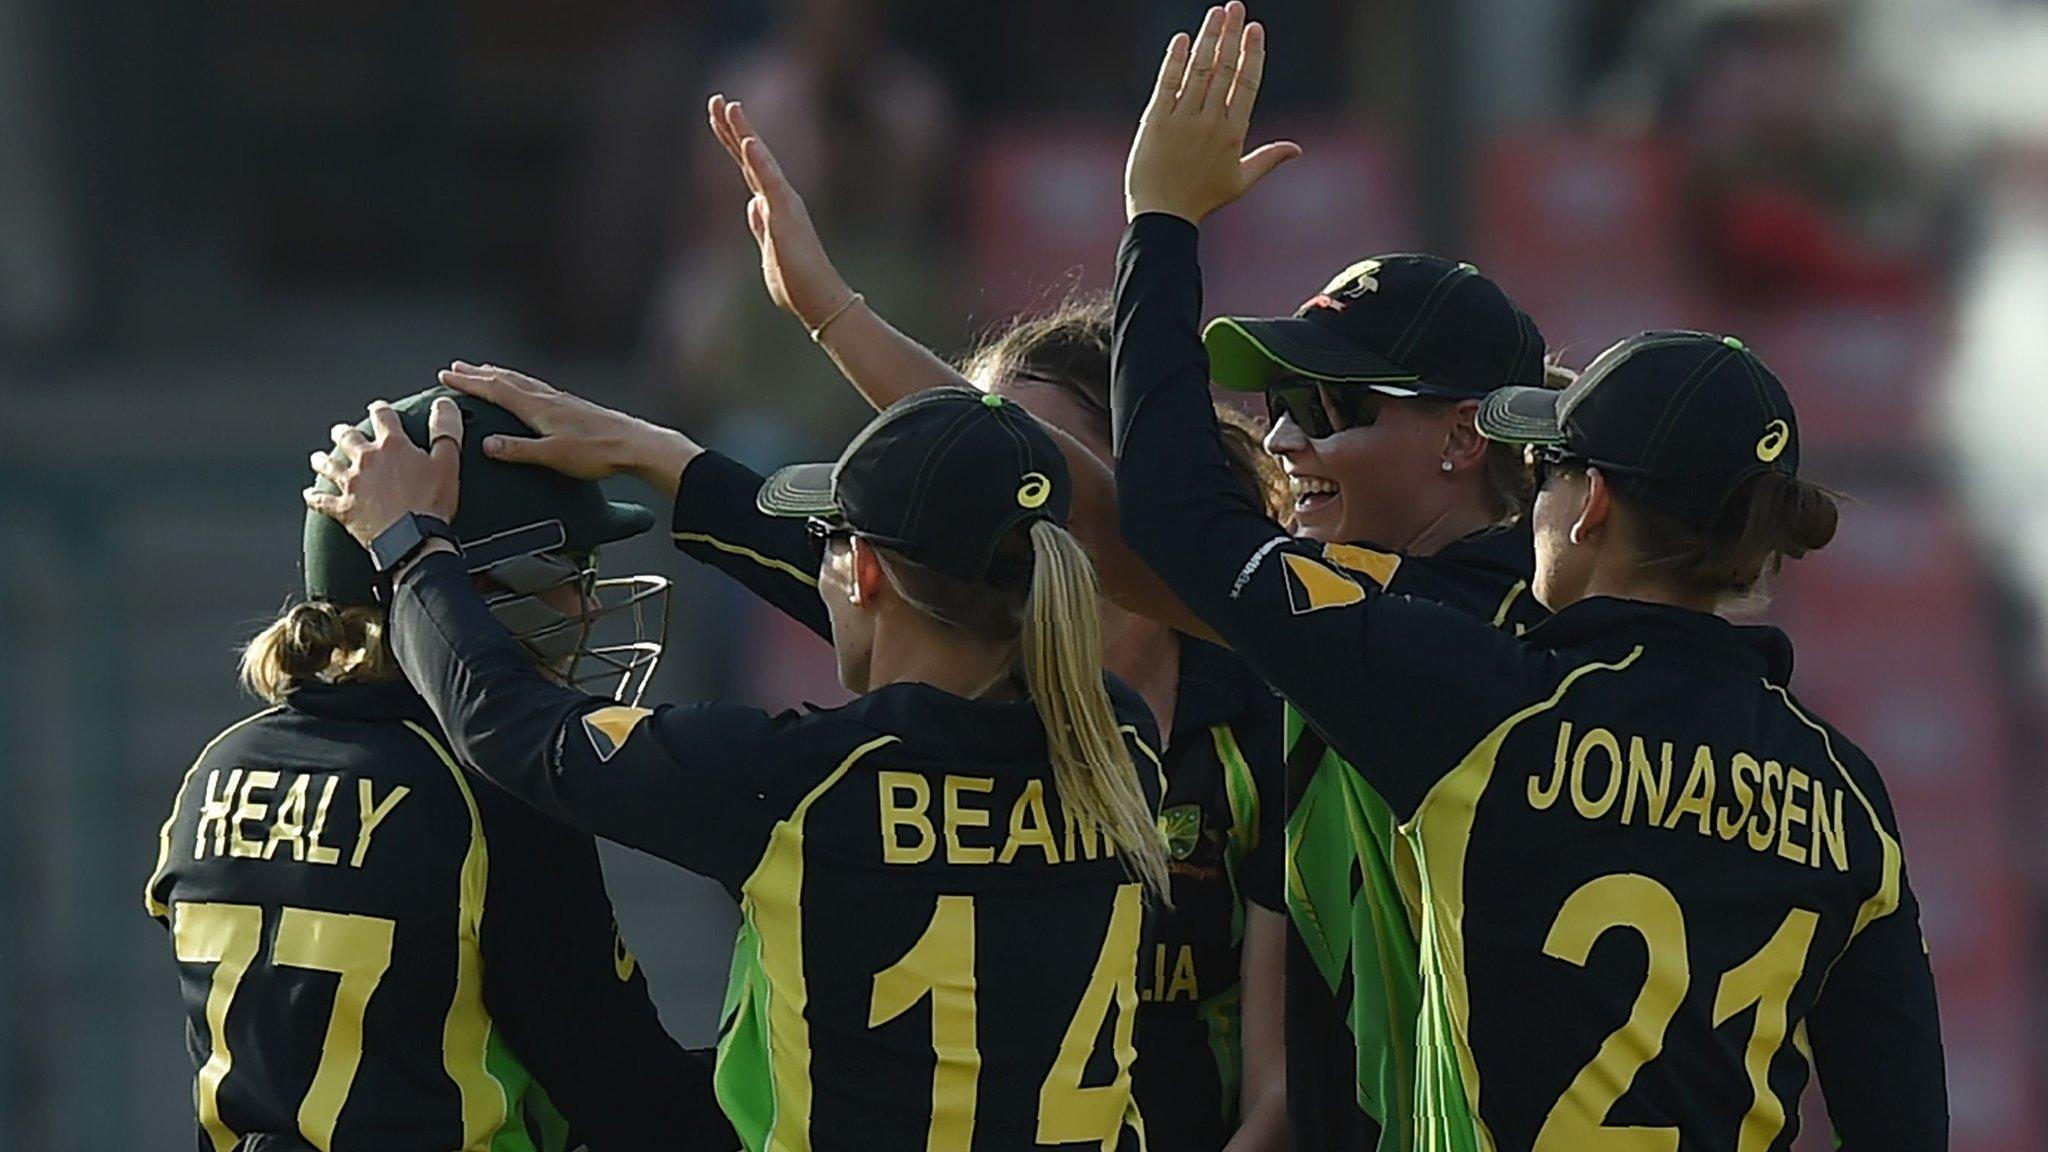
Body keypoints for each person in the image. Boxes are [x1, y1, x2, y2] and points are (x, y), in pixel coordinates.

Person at [1112, 7, 1948, 1149]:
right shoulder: (1844, 800)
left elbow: (1166, 507)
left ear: (1590, 501)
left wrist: (1159, 219)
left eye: (1544, 468)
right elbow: (1902, 1131)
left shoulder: (1473, 697)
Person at [304, 380, 1169, 1151]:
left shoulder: (794, 782)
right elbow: (940, 608)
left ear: (861, 569)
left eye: (830, 541)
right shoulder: (1115, 741)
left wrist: (408, 547)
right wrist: (662, 457)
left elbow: (504, 722)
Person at [694, 93, 1290, 1151]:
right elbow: (784, 537)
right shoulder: (960, 666)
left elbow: (1286, 1078)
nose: (1001, 482)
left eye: (1032, 458)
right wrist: (645, 449)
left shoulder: (1265, 713)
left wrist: (832, 310)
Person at [144, 388, 728, 1151]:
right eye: (567, 568)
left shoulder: (213, 772)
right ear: (473, 587)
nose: (585, 605)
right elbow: (622, 1091)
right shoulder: (492, 787)